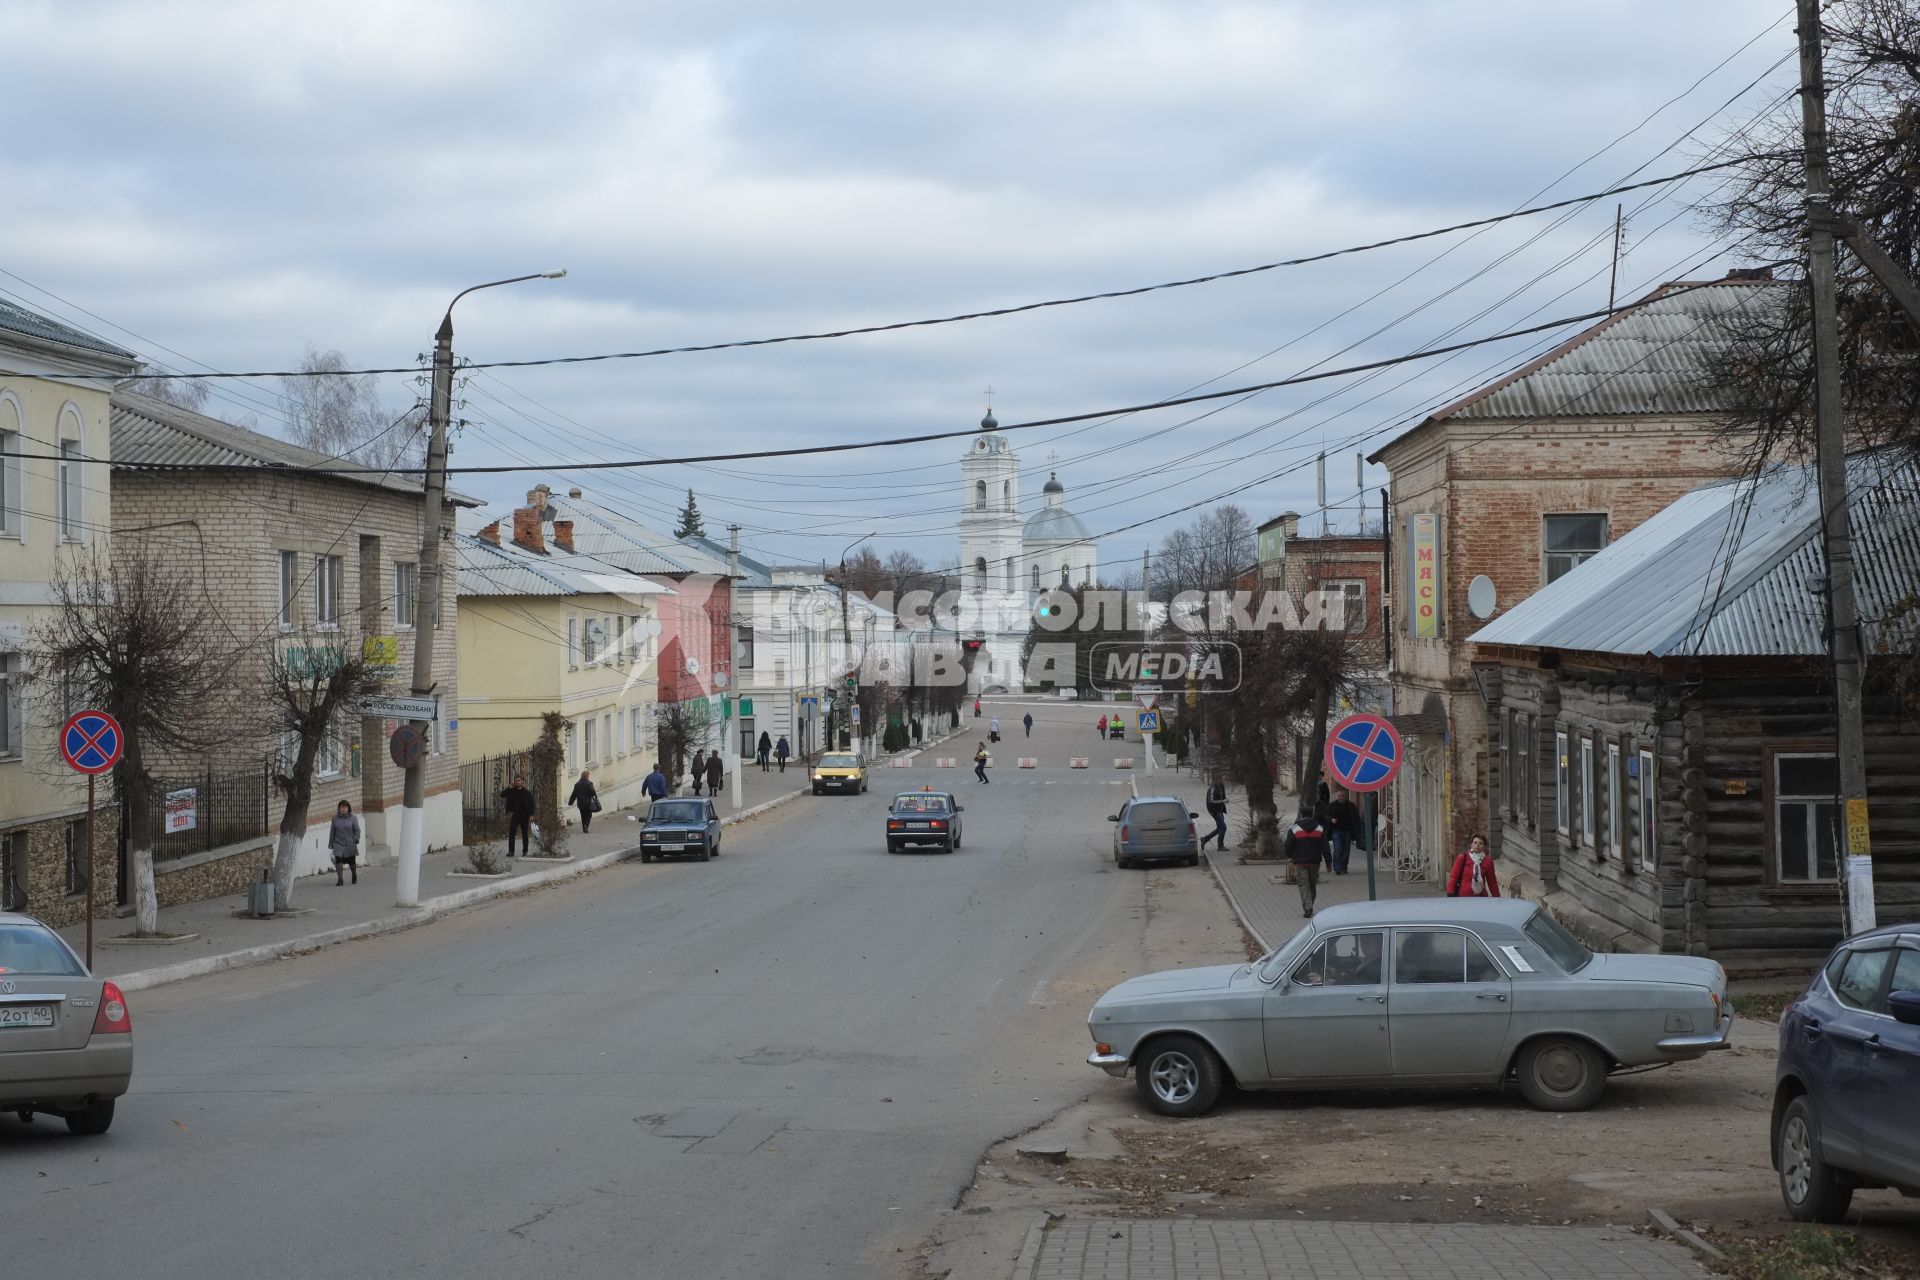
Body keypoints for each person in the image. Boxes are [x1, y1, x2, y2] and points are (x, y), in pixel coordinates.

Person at [1282, 808, 1328, 917]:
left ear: (1301, 815)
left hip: (1299, 862)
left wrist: (1289, 856)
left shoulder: (1294, 829)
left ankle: (1308, 907)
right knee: (1312, 885)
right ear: (1312, 814)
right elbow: (1325, 846)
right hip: (1315, 862)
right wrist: (1329, 862)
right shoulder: (1319, 829)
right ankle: (1309, 905)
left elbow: (1288, 846)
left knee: (1303, 885)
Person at [1446, 834, 1501, 898]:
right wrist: (1450, 894)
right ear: (1471, 845)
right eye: (1475, 843)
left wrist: (1498, 899)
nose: (1477, 845)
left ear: (1484, 846)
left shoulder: (1488, 861)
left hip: (1481, 898)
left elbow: (1492, 883)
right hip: (1463, 897)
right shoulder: (1463, 858)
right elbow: (1454, 877)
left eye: (1481, 843)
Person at [1324, 787, 1360, 875]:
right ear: (1337, 796)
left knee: (1346, 851)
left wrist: (1356, 832)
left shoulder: (1351, 805)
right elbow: (1326, 815)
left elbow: (1356, 819)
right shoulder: (1332, 805)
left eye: (1342, 795)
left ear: (1346, 796)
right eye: (1339, 795)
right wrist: (1331, 819)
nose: (1341, 797)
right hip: (1336, 831)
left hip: (1347, 831)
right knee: (1337, 849)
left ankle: (1344, 867)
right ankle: (1337, 868)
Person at [499, 774, 536, 858]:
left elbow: (532, 804)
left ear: (522, 781)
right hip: (515, 815)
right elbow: (502, 795)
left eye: (519, 780)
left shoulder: (526, 792)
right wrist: (509, 787)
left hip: (524, 816)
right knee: (512, 832)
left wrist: (531, 814)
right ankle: (511, 851)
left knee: (525, 834)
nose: (517, 782)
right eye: (516, 780)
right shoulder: (511, 791)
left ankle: (525, 851)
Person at [329, 799, 361, 886]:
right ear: (339, 808)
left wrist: (356, 838)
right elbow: (332, 832)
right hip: (338, 843)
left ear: (348, 808)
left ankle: (354, 874)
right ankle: (340, 879)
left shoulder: (353, 818)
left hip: (350, 843)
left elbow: (357, 830)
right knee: (338, 861)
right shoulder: (335, 819)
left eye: (345, 807)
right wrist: (331, 844)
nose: (343, 809)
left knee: (352, 862)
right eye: (341, 807)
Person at [1201, 774, 1229, 851]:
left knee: (1219, 828)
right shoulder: (1212, 788)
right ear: (1218, 779)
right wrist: (1222, 801)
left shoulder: (1221, 786)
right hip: (1214, 811)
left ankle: (1205, 839)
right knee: (1223, 827)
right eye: (1223, 779)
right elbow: (1211, 801)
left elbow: (1222, 797)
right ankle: (1220, 846)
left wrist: (1224, 801)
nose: (1224, 780)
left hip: (1220, 810)